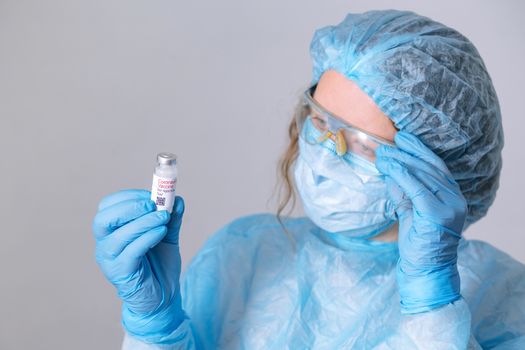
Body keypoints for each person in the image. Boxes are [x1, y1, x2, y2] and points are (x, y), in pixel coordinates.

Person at [92, 9, 525, 349]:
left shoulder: (503, 294)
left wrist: (434, 309)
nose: (323, 153)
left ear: (441, 167)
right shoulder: (244, 254)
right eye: (319, 120)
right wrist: (156, 329)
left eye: (361, 143)